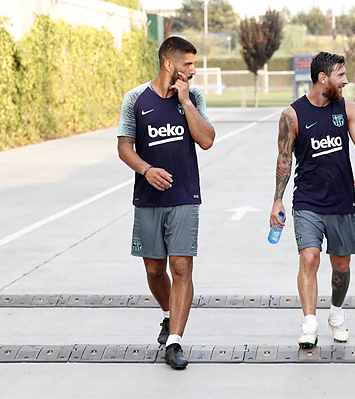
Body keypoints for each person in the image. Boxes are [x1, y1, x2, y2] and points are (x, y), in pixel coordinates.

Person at [117, 36, 215, 369]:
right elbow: (125, 147)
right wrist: (146, 170)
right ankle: (167, 313)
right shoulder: (135, 99)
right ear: (169, 64)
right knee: (155, 270)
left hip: (185, 196)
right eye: (188, 64)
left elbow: (206, 141)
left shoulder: (195, 95)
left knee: (182, 268)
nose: (194, 70)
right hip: (147, 198)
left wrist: (186, 102)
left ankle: (175, 341)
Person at [270, 51, 355, 349]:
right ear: (322, 78)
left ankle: (337, 314)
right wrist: (277, 200)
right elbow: (283, 160)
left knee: (341, 264)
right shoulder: (292, 115)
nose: (346, 81)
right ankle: (309, 323)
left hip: (342, 200)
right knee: (309, 257)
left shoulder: (348, 108)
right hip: (307, 202)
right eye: (341, 75)